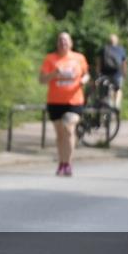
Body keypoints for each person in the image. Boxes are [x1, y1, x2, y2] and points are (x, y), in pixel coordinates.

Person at [39, 32, 90, 177]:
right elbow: (41, 80)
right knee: (60, 134)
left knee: (69, 129)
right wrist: (53, 74)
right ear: (57, 43)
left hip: (74, 101)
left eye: (66, 40)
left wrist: (84, 80)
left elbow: (86, 74)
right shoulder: (50, 59)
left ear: (71, 43)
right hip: (55, 101)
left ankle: (68, 163)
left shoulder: (79, 58)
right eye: (60, 41)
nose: (63, 43)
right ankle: (61, 163)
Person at [96, 33, 127, 108]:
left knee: (104, 90)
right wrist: (124, 73)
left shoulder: (103, 49)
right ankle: (116, 105)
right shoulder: (121, 50)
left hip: (104, 73)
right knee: (118, 89)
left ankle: (105, 105)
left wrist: (98, 73)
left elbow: (99, 62)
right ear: (117, 41)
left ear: (108, 41)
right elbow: (124, 63)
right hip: (117, 73)